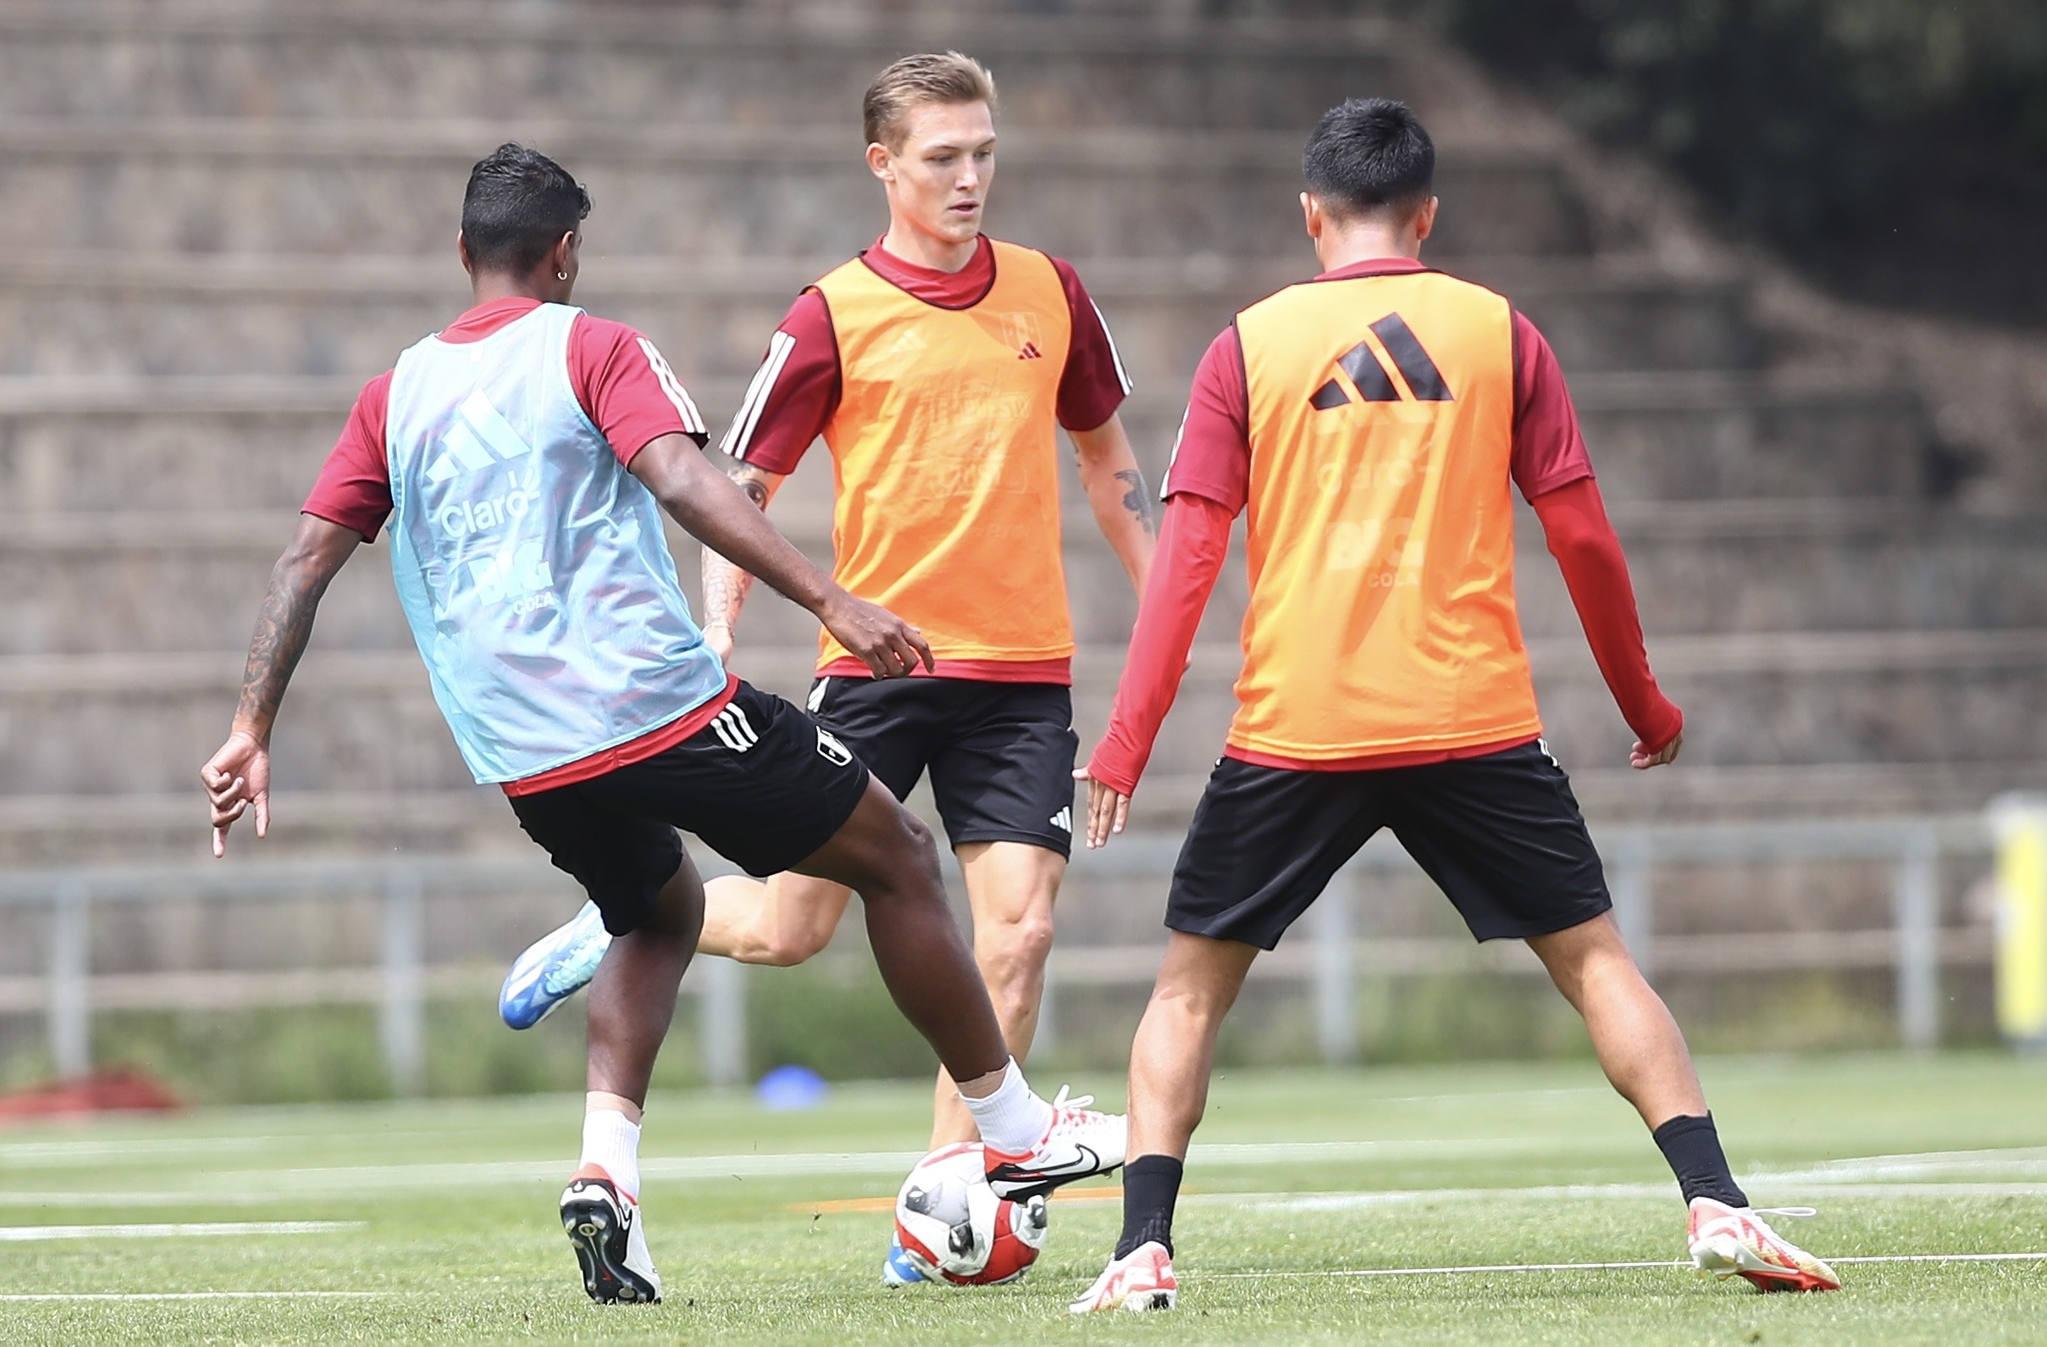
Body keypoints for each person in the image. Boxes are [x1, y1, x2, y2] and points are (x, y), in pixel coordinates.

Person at [197, 143, 1124, 1308]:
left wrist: (248, 724)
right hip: (654, 708)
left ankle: (608, 1179)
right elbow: (688, 481)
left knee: (657, 910)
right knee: (896, 856)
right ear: (566, 253)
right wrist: (831, 599)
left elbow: (304, 559)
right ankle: (1012, 1127)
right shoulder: (593, 346)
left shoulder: (394, 393)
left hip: (521, 752)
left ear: (462, 253)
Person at [1063, 100, 1839, 1314]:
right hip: (1470, 720)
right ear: (1426, 215)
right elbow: (1578, 531)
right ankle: (1715, 1200)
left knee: (1186, 990)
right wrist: (1644, 703)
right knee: (1593, 964)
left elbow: (1186, 564)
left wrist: (1122, 742)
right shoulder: (1499, 332)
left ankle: (1141, 1250)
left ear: (1308, 214)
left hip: (1299, 728)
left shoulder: (1246, 347)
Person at [506, 51, 1153, 1284]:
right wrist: (717, 631)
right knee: (798, 927)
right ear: (883, 166)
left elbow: (1108, 465)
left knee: (1013, 937)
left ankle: (948, 1201)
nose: (970, 180)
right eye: (941, 158)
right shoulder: (828, 314)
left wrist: (1169, 607)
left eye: (983, 153)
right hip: (878, 670)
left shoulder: (1051, 293)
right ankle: (626, 922)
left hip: (1021, 677)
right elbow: (740, 489)